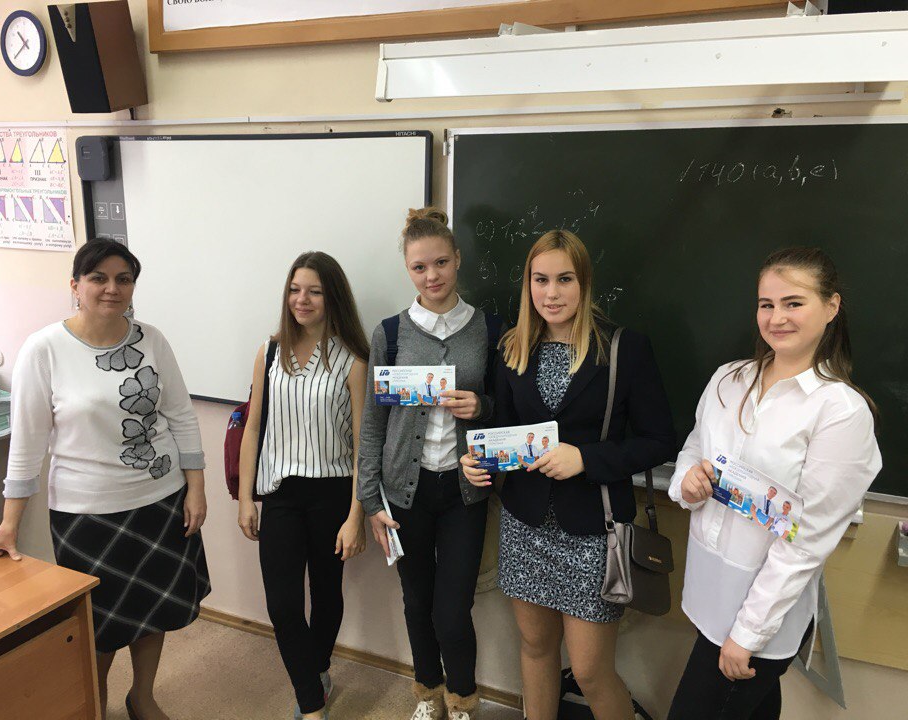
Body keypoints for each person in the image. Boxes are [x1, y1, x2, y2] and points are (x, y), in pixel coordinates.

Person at [0, 239, 210, 720]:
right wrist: (9, 523)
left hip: (161, 499)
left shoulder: (152, 339)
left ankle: (142, 696)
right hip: (86, 512)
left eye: (123, 279)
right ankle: (95, 708)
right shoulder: (44, 349)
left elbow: (181, 417)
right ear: (75, 285)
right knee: (99, 626)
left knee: (154, 612)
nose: (112, 289)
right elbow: (27, 445)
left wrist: (197, 488)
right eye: (98, 278)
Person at [461, 229, 675, 720]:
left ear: (584, 282)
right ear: (528, 284)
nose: (551, 293)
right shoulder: (512, 347)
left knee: (590, 671)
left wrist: (586, 459)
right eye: (540, 280)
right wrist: (480, 463)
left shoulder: (623, 349)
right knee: (536, 650)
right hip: (525, 523)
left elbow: (661, 440)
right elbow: (503, 430)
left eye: (564, 279)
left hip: (594, 530)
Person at [667, 247, 881, 720]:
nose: (776, 317)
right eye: (767, 304)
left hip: (760, 619)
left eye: (793, 303)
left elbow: (805, 541)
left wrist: (747, 634)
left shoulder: (839, 412)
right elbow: (693, 451)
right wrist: (687, 483)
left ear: (831, 306)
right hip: (707, 595)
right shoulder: (728, 379)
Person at [359, 207, 499, 720]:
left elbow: (508, 409)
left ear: (457, 259)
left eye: (441, 262)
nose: (432, 276)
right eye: (419, 267)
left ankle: (462, 698)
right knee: (416, 602)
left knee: (452, 610)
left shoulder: (489, 329)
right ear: (408, 270)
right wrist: (369, 498)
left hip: (464, 491)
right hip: (404, 491)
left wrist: (481, 406)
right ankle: (427, 693)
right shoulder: (391, 334)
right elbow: (373, 420)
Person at [237, 251, 369, 720]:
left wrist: (356, 516)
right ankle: (312, 704)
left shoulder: (353, 360)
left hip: (332, 493)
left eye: (314, 291)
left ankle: (319, 670)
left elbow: (362, 446)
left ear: (333, 297)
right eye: (295, 290)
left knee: (327, 594)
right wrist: (247, 498)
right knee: (283, 605)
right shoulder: (269, 352)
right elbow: (254, 427)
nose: (302, 299)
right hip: (280, 493)